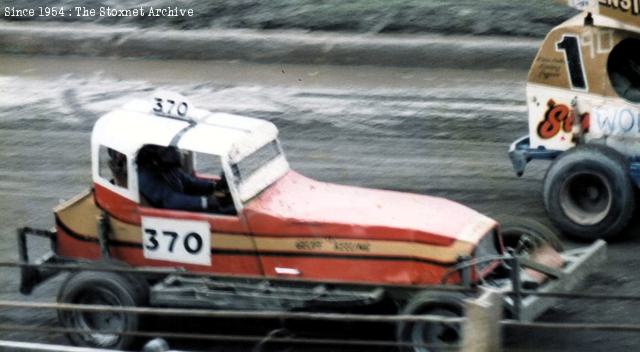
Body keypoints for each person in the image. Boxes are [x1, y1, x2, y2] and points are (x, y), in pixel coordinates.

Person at [136, 145, 235, 214]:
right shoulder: (146, 177)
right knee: (227, 211)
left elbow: (189, 183)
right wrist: (204, 202)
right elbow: (170, 200)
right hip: (171, 218)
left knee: (230, 207)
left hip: (181, 209)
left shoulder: (167, 169)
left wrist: (213, 186)